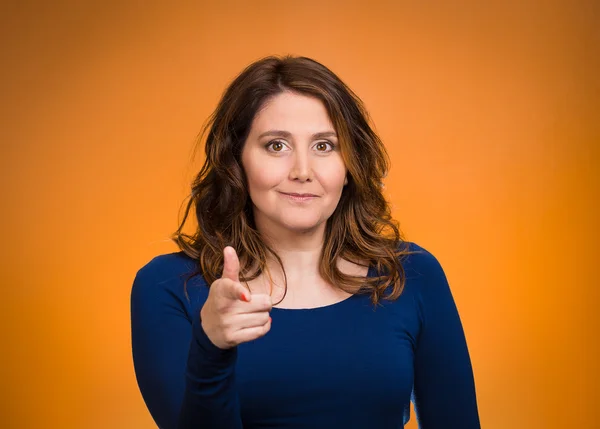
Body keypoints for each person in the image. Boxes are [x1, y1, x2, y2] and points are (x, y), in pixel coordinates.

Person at [130, 55, 481, 429]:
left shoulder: (411, 274)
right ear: (237, 161)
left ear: (349, 166)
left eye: (324, 146)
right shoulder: (168, 287)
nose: (302, 172)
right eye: (276, 145)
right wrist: (212, 347)